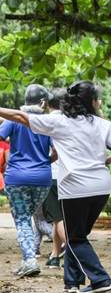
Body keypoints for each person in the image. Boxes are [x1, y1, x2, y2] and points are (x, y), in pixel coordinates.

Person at [1, 81, 111, 293]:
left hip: (75, 187)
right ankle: (72, 281)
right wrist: (106, 161)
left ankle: (100, 279)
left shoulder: (59, 121)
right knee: (76, 234)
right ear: (91, 102)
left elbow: (22, 117)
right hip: (101, 187)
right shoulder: (103, 124)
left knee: (75, 237)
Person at [0, 84, 55, 277]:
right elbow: (56, 151)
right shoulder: (49, 121)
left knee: (22, 218)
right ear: (43, 101)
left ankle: (30, 260)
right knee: (28, 216)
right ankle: (27, 259)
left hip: (17, 177)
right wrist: (44, 162)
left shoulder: (15, 119)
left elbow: (0, 136)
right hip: (43, 179)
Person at [41, 88, 67, 269]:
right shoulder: (71, 121)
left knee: (58, 219)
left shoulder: (45, 122)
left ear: (47, 103)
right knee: (61, 217)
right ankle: (55, 255)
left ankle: (76, 250)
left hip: (52, 175)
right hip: (70, 177)